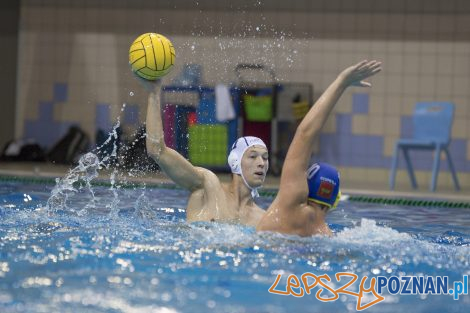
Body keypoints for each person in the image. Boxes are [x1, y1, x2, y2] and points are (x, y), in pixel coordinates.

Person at [256, 60, 382, 237]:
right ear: (335, 200)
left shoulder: (291, 204)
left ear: (305, 183)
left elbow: (305, 133)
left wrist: (341, 81)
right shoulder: (327, 235)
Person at [143, 79, 268, 227]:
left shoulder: (263, 220)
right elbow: (157, 150)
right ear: (235, 161)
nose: (261, 163)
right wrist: (154, 93)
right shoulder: (207, 185)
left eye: (265, 158)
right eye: (253, 156)